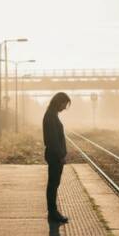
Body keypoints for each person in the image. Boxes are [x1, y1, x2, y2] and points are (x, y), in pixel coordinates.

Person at [43, 92, 70, 223]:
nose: (65, 107)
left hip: (54, 156)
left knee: (54, 184)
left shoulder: (52, 115)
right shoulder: (50, 117)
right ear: (59, 102)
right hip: (54, 157)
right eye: (65, 104)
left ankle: (53, 212)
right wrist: (61, 156)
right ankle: (52, 213)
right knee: (53, 185)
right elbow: (52, 140)